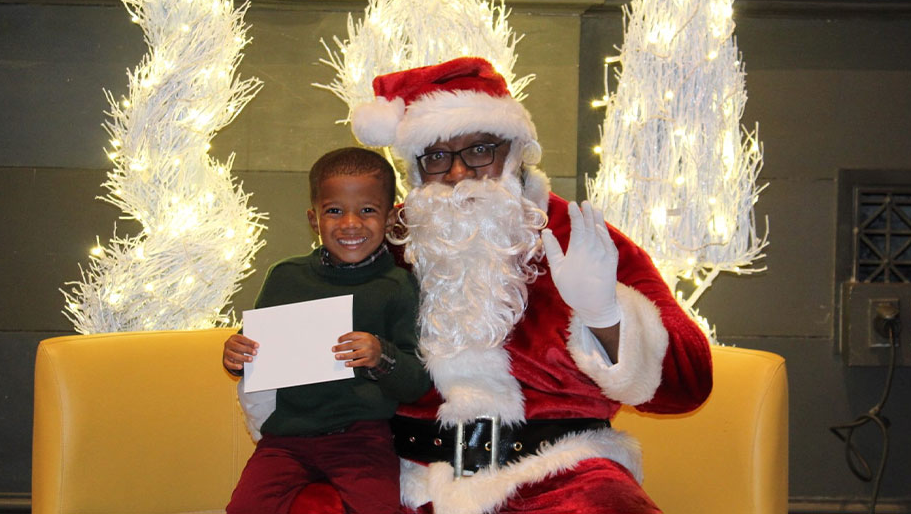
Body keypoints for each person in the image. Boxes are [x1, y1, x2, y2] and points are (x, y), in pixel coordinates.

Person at [347, 57, 714, 514]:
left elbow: (690, 383)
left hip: (555, 473)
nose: (459, 173)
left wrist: (605, 316)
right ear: (417, 169)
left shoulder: (574, 235)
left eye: (480, 150)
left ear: (515, 151)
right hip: (406, 477)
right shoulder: (387, 239)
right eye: (438, 157)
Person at [222, 147, 431, 514]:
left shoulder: (398, 285)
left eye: (367, 210)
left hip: (361, 439)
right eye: (334, 211)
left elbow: (416, 382)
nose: (350, 223)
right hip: (284, 439)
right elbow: (254, 351)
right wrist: (235, 356)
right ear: (313, 218)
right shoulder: (286, 276)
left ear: (389, 218)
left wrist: (381, 356)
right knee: (244, 508)